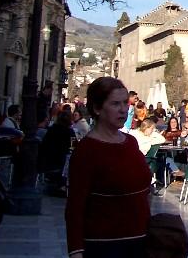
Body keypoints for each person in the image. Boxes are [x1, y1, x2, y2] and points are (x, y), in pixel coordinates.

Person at [65, 77, 151, 258]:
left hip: (141, 243)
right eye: (115, 104)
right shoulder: (86, 151)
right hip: (104, 246)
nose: (123, 110)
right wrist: (76, 251)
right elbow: (75, 207)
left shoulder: (131, 142)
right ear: (97, 108)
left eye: (125, 103)